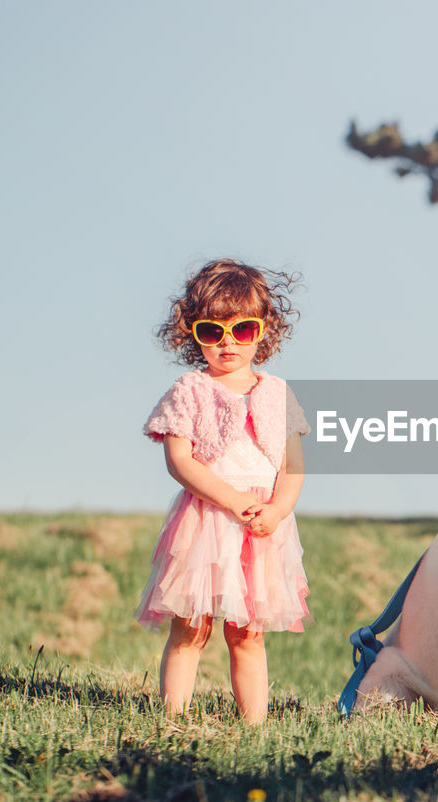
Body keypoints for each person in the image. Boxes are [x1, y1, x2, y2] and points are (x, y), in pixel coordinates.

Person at [135, 258, 311, 724]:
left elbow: (293, 466)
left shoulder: (278, 393)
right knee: (191, 630)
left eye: (242, 329)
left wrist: (277, 510)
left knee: (248, 635)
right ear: (193, 333)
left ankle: (254, 725)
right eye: (212, 332)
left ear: (263, 330)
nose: (228, 342)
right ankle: (172, 720)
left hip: (261, 526)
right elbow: (180, 460)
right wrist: (232, 500)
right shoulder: (189, 390)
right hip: (207, 520)